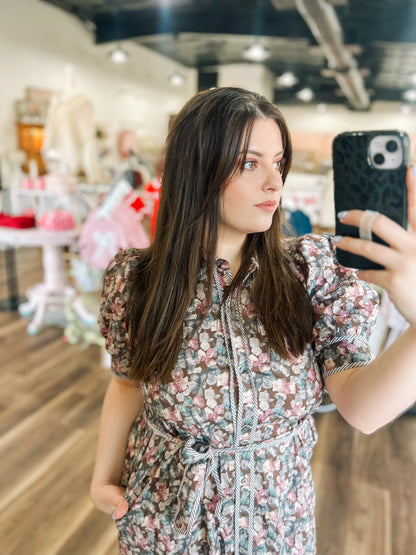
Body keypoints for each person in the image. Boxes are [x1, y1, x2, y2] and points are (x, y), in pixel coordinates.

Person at [90, 87, 416, 554]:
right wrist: (102, 480)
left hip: (273, 532)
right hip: (164, 527)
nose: (275, 183)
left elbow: (364, 411)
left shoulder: (311, 273)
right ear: (196, 169)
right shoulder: (136, 280)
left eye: (278, 162)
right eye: (249, 163)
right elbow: (126, 382)